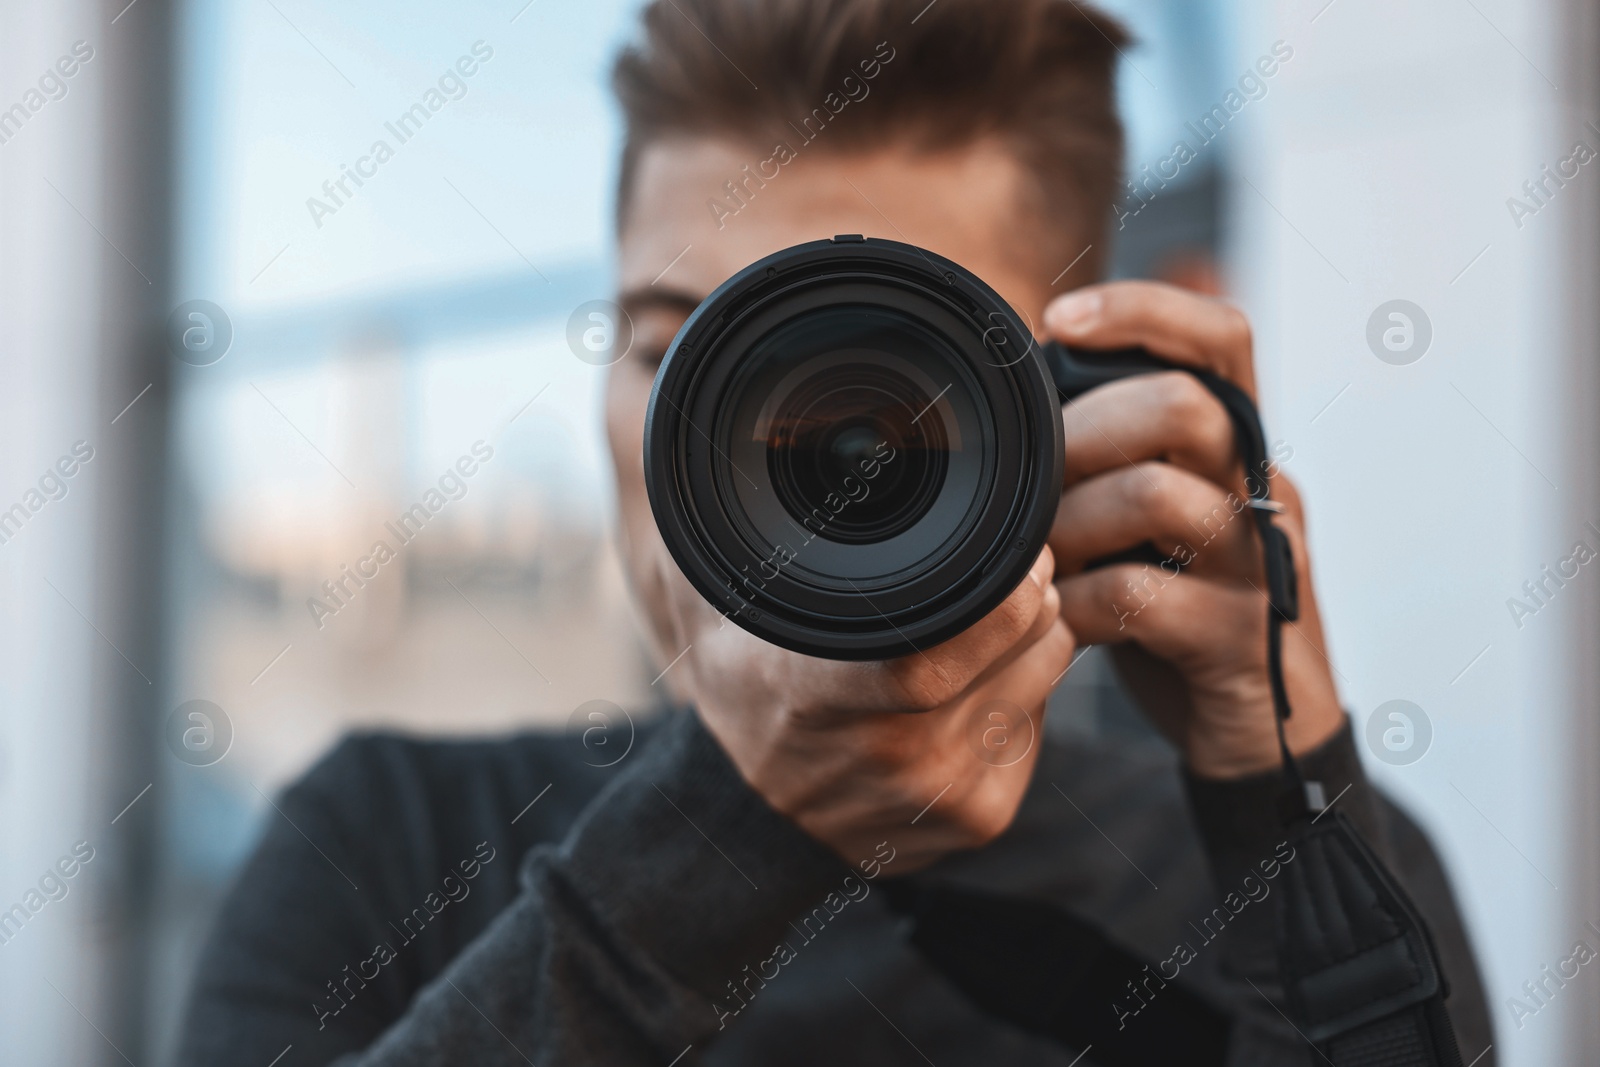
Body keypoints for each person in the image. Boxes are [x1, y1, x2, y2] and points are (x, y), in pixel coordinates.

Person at [175, 1, 1492, 1063]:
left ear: (1084, 400)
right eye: (671, 349)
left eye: (880, 375)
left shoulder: (1258, 869)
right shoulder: (388, 841)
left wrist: (1287, 797)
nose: (751, 447)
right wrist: (716, 847)